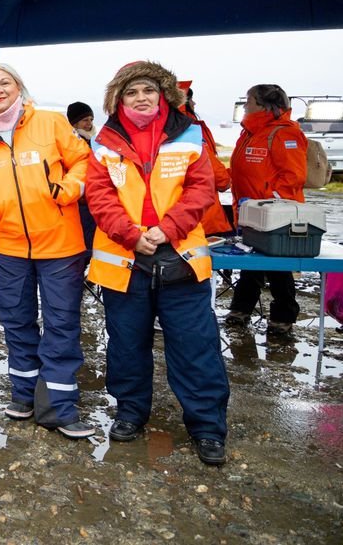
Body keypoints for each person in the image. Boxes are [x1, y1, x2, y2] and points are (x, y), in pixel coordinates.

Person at [86, 60, 230, 466]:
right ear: (118, 100)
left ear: (164, 94)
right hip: (125, 261)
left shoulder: (189, 136)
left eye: (148, 89)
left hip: (180, 259)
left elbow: (202, 190)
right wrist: (132, 235)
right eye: (130, 92)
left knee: (195, 348)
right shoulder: (104, 142)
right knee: (127, 346)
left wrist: (166, 230)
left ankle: (206, 427)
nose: (140, 98)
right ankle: (130, 412)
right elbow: (98, 197)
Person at [0, 66, 94, 438]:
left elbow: (84, 160)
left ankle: (58, 407)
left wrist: (68, 190)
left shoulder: (51, 123)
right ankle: (25, 394)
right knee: (16, 321)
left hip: (59, 244)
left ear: (19, 88)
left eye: (4, 83)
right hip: (9, 247)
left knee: (60, 324)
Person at [226, 84, 307, 336]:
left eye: (249, 100)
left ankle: (283, 316)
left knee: (278, 266)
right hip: (250, 210)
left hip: (275, 215)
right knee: (252, 259)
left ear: (263, 105)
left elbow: (293, 176)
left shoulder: (285, 133)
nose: (245, 105)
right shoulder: (250, 132)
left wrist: (271, 205)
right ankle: (241, 309)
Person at [178, 82, 233, 236]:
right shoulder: (188, 128)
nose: (194, 103)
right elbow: (210, 166)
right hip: (203, 217)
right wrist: (226, 180)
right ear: (182, 101)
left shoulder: (162, 127)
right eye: (191, 99)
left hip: (176, 219)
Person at [66, 101, 97, 251]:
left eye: (91, 119)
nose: (89, 124)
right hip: (79, 201)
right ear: (74, 123)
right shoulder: (70, 142)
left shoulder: (95, 142)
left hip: (94, 200)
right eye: (85, 120)